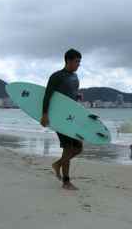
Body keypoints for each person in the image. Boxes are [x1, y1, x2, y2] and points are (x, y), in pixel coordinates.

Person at [40, 48, 83, 190]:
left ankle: (57, 164)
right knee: (68, 148)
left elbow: (70, 96)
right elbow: (47, 95)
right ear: (68, 60)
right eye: (77, 61)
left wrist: (77, 97)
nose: (78, 64)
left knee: (78, 148)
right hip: (58, 118)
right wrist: (45, 114)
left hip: (70, 117)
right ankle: (66, 181)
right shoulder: (56, 76)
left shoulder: (75, 78)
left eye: (79, 62)